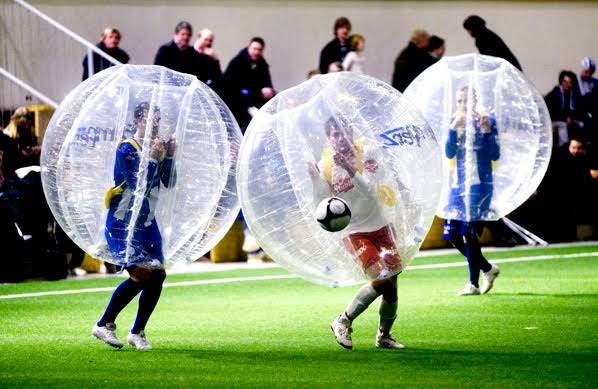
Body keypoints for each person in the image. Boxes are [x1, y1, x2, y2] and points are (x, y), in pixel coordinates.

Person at [308, 117, 404, 350]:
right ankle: (343, 320)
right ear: (329, 138)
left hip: (380, 224)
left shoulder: (366, 153)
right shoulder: (326, 166)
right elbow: (323, 202)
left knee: (391, 284)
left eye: (343, 133)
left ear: (350, 133)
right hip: (353, 231)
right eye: (334, 134)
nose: (340, 138)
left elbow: (372, 193)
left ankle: (384, 335)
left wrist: (351, 169)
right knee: (381, 279)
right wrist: (314, 180)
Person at [92, 102, 176, 350]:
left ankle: (137, 332)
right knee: (140, 274)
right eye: (151, 120)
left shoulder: (157, 146)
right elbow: (139, 187)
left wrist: (169, 156)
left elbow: (169, 182)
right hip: (122, 223)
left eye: (158, 120)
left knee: (158, 274)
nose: (156, 125)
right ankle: (103, 324)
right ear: (137, 122)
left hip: (147, 222)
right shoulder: (127, 149)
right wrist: (152, 160)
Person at [443, 87, 501, 296]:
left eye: (466, 100)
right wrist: (452, 129)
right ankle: (487, 268)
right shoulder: (455, 121)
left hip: (480, 185)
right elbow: (449, 152)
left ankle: (472, 284)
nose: (463, 105)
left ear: (475, 102)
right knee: (451, 234)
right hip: (458, 186)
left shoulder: (487, 121)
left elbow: (495, 155)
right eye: (459, 101)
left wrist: (486, 133)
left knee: (468, 231)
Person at [224, 37, 275, 130]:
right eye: (254, 49)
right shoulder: (238, 62)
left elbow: (267, 82)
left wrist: (270, 91)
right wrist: (260, 92)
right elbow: (236, 85)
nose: (256, 52)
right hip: (238, 101)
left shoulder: (262, 64)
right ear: (249, 48)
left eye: (259, 50)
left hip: (256, 99)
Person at [154, 21, 218, 85]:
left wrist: (214, 59)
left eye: (189, 35)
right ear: (176, 35)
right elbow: (157, 72)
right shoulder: (165, 50)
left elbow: (201, 75)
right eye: (183, 34)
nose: (186, 37)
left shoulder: (193, 53)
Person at [545, 70, 585, 147]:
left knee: (581, 124)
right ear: (561, 81)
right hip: (552, 121)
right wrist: (565, 118)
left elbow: (576, 110)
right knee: (563, 125)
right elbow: (551, 113)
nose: (567, 84)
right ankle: (564, 147)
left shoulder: (572, 95)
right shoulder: (554, 94)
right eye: (565, 81)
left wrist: (572, 118)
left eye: (569, 82)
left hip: (566, 119)